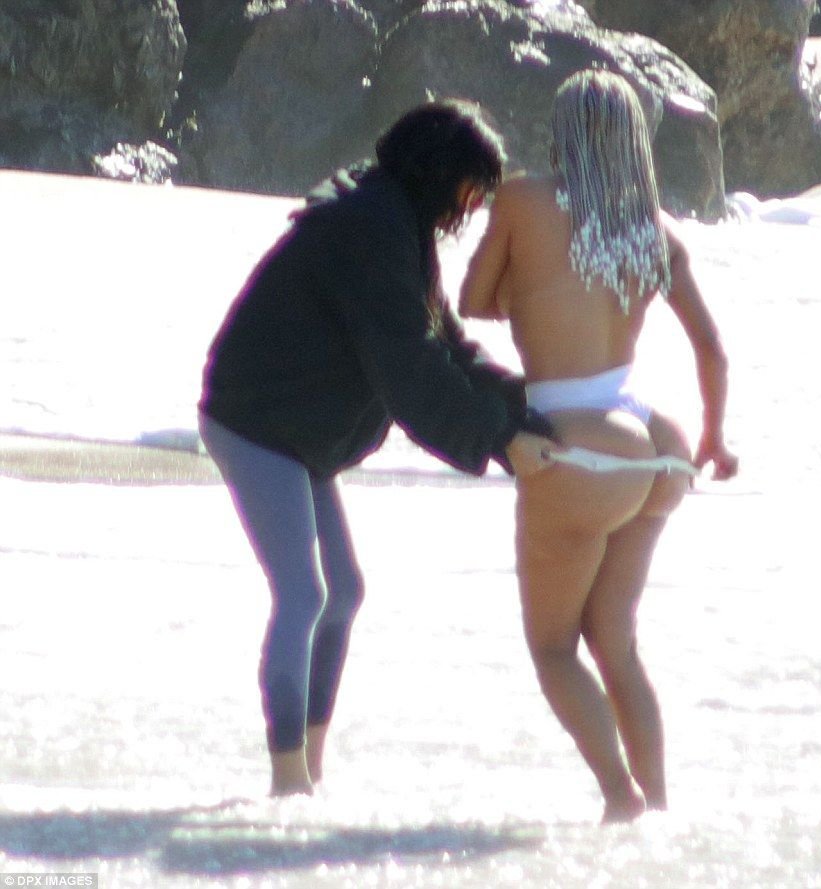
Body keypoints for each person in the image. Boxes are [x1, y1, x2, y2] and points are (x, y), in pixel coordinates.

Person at [198, 101, 557, 797]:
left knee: (343, 592)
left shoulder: (397, 221)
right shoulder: (370, 228)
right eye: (473, 191)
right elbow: (410, 372)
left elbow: (443, 346)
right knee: (304, 594)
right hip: (255, 423)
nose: (474, 208)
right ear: (440, 172)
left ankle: (311, 768)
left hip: (298, 430)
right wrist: (499, 439)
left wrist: (526, 407)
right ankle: (287, 784)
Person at [459, 70, 738, 821]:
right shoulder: (655, 232)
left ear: (562, 136)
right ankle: (659, 806)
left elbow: (472, 301)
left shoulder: (523, 199)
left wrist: (530, 292)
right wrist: (714, 438)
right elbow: (712, 350)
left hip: (581, 447)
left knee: (553, 648)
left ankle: (622, 799)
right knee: (615, 642)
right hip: (660, 445)